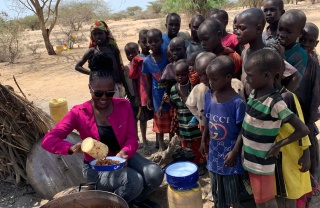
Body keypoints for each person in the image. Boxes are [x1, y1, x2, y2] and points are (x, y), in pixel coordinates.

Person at [42, 52, 164, 208]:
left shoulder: (123, 105)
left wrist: (124, 153)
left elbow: (132, 139)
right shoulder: (79, 112)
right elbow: (48, 140)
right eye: (98, 93)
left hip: (121, 157)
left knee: (155, 174)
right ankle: (113, 203)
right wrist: (71, 148)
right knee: (135, 180)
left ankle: (134, 201)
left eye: (109, 92)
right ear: (89, 88)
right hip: (95, 166)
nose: (104, 98)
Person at [242, 49, 309, 208]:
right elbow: (248, 123)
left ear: (267, 76)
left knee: (267, 201)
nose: (247, 79)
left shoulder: (276, 103)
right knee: (259, 199)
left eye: (250, 75)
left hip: (262, 162)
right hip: (251, 158)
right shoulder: (254, 93)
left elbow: (303, 130)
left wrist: (278, 146)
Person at [199, 55, 246, 208]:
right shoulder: (209, 96)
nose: (209, 82)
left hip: (229, 156)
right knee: (217, 189)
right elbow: (207, 119)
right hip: (214, 154)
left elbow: (242, 131)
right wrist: (203, 139)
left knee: (233, 193)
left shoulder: (238, 103)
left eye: (214, 79)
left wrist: (234, 152)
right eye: (208, 78)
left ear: (227, 78)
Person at [235, 8, 301, 98]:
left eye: (242, 28)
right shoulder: (245, 52)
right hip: (251, 103)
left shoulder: (269, 54)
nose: (237, 32)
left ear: (258, 29)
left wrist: (282, 98)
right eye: (237, 28)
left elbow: (296, 77)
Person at [274, 57, 312, 208]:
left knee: (291, 191)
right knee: (278, 190)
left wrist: (306, 152)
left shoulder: (288, 97)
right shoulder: (262, 97)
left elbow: (302, 128)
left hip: (291, 153)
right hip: (276, 155)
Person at [164, 59, 204, 168]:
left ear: (188, 74)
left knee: (198, 145)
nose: (180, 77)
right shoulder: (173, 89)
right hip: (182, 124)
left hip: (195, 124)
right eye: (177, 75)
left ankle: (200, 165)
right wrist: (169, 102)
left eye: (183, 74)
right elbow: (176, 106)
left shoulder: (193, 87)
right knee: (186, 147)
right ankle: (191, 165)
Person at [75, 20, 130, 98]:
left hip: (116, 85)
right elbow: (77, 66)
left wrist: (127, 90)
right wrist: (92, 73)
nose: (98, 36)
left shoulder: (113, 49)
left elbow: (119, 69)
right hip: (101, 89)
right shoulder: (92, 51)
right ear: (92, 36)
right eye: (95, 34)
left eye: (100, 33)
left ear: (106, 34)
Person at [142, 29, 170, 151]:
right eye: (150, 42)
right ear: (147, 43)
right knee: (158, 121)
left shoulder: (167, 56)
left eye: (156, 41)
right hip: (156, 96)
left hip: (168, 93)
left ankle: (171, 144)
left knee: (170, 119)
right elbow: (148, 80)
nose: (153, 44)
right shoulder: (147, 61)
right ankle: (161, 145)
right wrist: (148, 97)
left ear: (161, 41)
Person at [129, 30, 153, 155]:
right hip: (142, 95)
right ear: (139, 43)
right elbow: (133, 79)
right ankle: (144, 140)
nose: (146, 45)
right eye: (143, 42)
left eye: (148, 42)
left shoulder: (153, 57)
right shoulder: (136, 60)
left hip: (152, 94)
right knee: (142, 119)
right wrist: (137, 97)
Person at [186, 52, 217, 133]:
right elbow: (190, 104)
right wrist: (199, 117)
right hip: (206, 128)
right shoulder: (200, 88)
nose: (203, 78)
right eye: (200, 75)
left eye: (205, 74)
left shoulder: (228, 87)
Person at [278, 9, 308, 76]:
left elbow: (295, 81)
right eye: (280, 29)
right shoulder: (272, 44)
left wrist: (281, 57)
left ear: (300, 33)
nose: (282, 34)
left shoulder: (301, 55)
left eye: (288, 31)